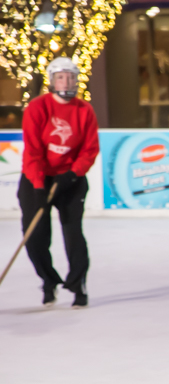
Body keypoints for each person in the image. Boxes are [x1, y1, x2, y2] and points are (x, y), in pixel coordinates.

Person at [19, 56, 98, 308]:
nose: (67, 82)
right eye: (61, 77)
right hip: (37, 178)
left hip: (71, 180)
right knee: (35, 237)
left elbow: (89, 149)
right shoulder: (37, 108)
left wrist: (73, 174)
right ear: (52, 81)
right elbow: (32, 151)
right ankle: (48, 280)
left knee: (73, 234)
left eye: (71, 77)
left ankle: (78, 284)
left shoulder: (84, 110)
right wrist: (39, 187)